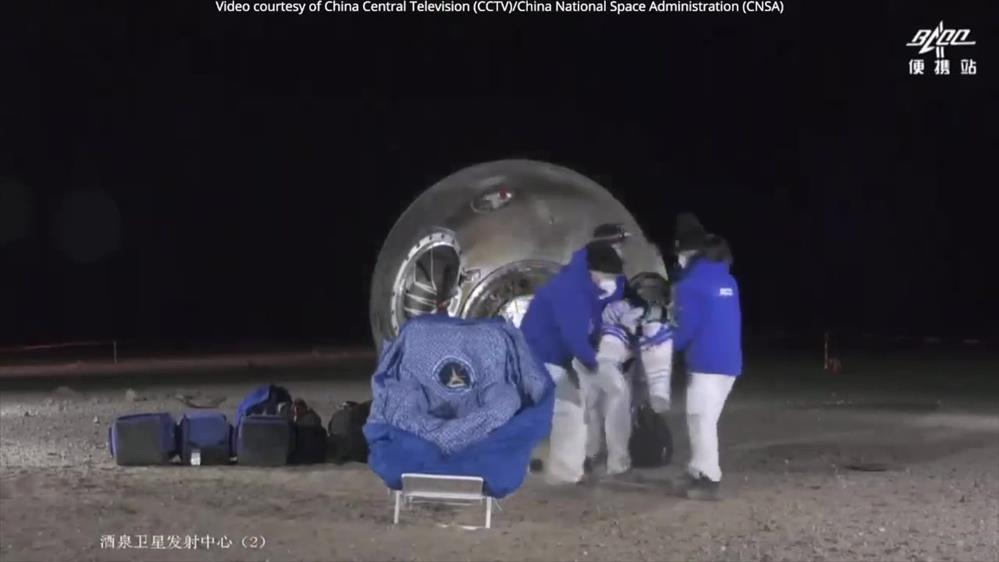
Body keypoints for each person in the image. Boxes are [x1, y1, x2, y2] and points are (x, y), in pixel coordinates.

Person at [520, 241, 625, 484]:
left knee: (536, 414)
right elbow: (574, 336)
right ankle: (565, 475)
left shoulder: (581, 287)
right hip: (540, 359)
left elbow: (590, 329)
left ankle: (526, 467)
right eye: (608, 276)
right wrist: (595, 366)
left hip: (540, 358)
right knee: (570, 412)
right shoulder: (571, 291)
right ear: (594, 270)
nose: (610, 282)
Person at [671, 227, 742, 501]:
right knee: (704, 419)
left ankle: (709, 478)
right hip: (729, 363)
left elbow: (686, 328)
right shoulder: (728, 281)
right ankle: (697, 470)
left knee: (701, 421)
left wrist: (666, 346)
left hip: (705, 363)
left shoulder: (690, 286)